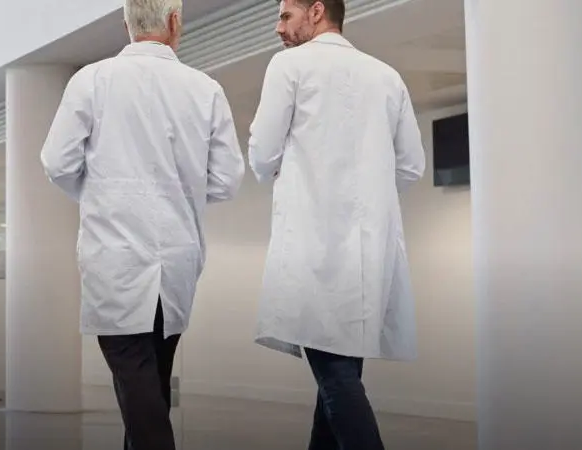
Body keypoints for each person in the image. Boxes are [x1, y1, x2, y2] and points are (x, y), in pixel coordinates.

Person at [40, 0, 246, 448]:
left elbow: (57, 164)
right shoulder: (205, 89)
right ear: (174, 22)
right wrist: (181, 194)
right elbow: (227, 180)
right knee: (147, 385)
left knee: (139, 390)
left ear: (126, 25)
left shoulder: (91, 81)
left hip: (115, 259)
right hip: (176, 262)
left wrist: (102, 196)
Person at [248, 0, 426, 448]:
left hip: (312, 248)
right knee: (338, 374)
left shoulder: (289, 66)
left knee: (337, 378)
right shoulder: (387, 76)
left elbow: (261, 154)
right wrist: (366, 197)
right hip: (370, 253)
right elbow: (410, 167)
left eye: (285, 15)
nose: (277, 27)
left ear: (316, 11)